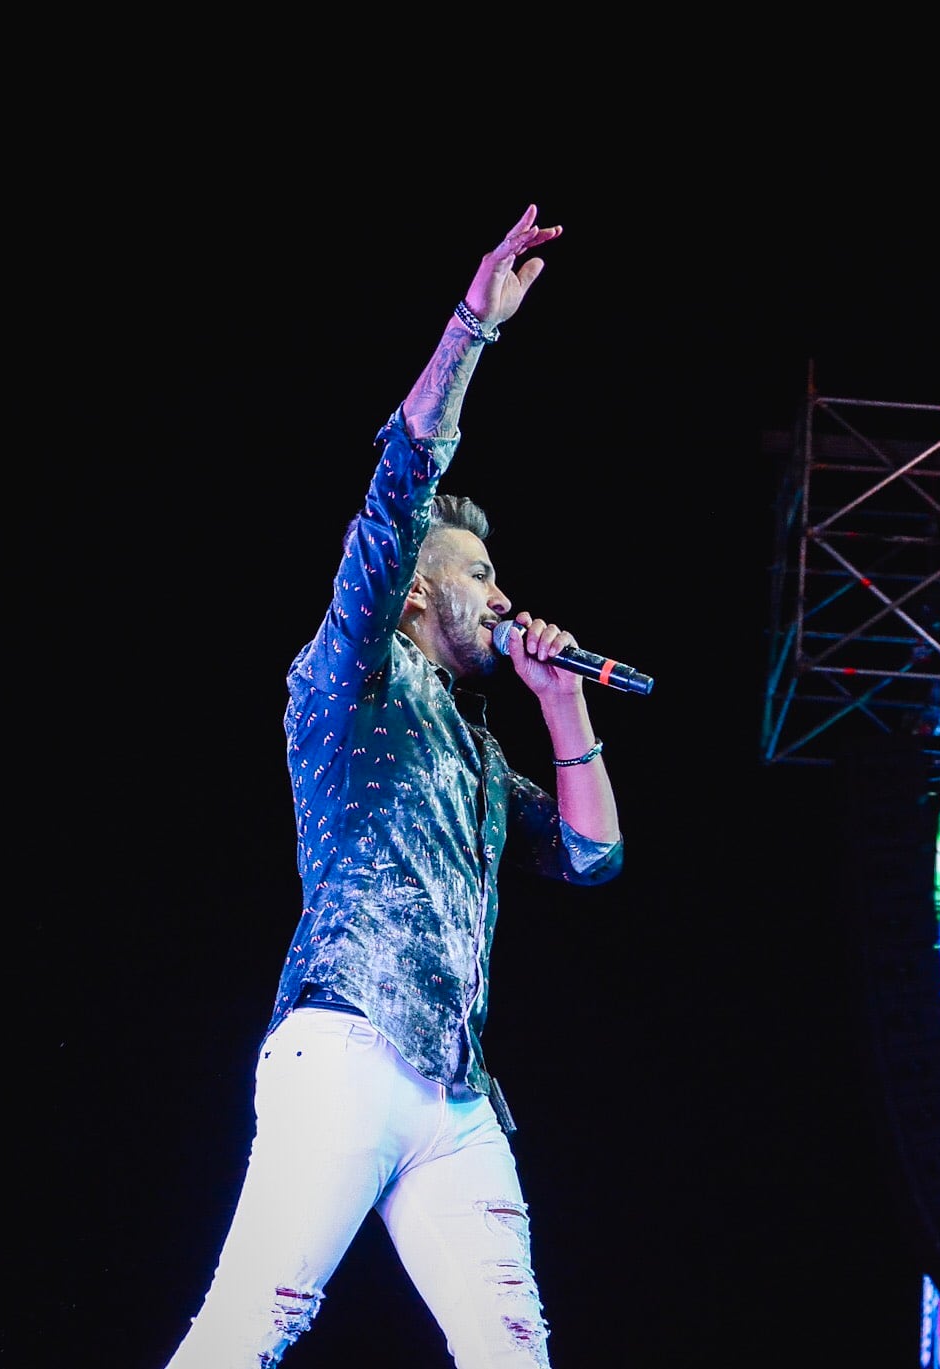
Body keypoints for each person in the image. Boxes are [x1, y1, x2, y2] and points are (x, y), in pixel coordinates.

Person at [163, 204, 622, 1368]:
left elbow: (589, 856)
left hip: (455, 1093)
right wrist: (472, 326)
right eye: (476, 572)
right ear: (415, 595)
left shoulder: (474, 750)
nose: (499, 591)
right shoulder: (349, 675)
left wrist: (560, 700)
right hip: (348, 1047)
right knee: (247, 1328)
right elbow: (401, 480)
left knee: (513, 1354)